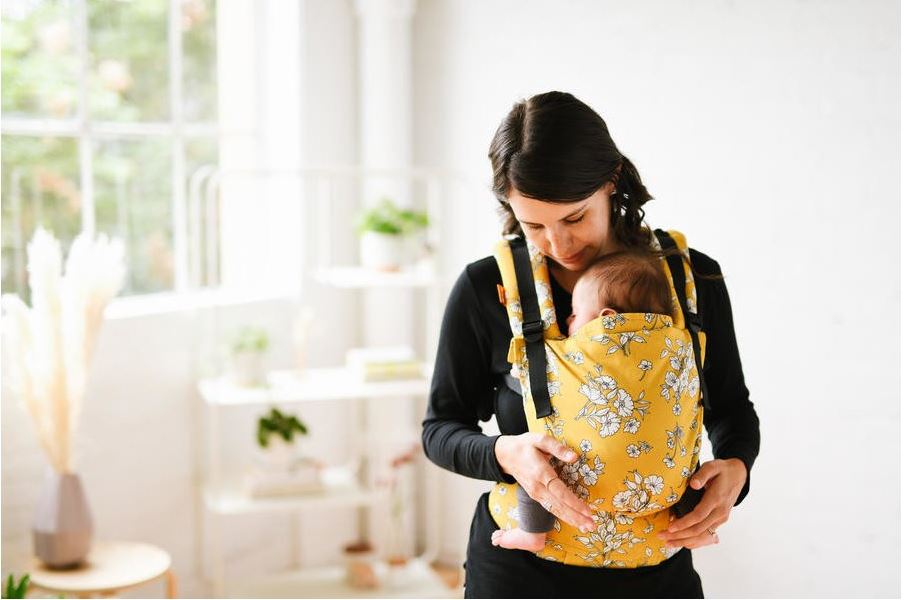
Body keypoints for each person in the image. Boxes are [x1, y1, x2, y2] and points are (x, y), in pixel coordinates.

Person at [421, 91, 760, 598]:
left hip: (655, 571)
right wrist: (505, 454)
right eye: (533, 225)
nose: (559, 245)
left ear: (612, 182)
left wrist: (736, 469)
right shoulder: (484, 289)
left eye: (574, 218)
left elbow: (731, 408)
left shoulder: (693, 280)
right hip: (520, 573)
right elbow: (440, 430)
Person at [491, 250, 674, 553]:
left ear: (607, 321)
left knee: (537, 458)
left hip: (578, 477)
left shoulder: (578, 361)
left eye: (575, 313)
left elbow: (536, 388)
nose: (568, 319)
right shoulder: (665, 356)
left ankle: (533, 533)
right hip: (658, 487)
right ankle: (697, 520)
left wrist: (515, 377)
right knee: (683, 468)